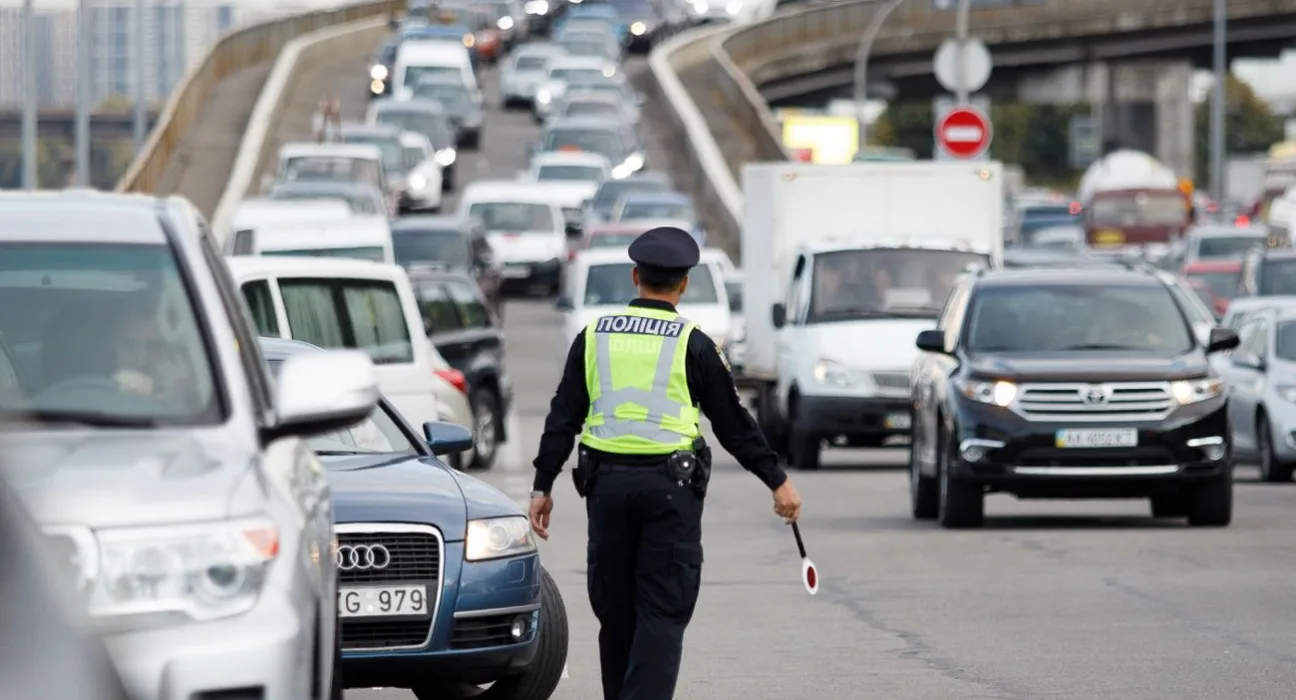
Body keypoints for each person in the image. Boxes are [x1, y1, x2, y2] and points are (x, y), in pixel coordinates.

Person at [529, 226, 802, 700]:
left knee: (617, 615)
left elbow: (562, 416)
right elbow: (734, 424)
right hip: (669, 493)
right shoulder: (693, 343)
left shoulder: (594, 336)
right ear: (684, 284)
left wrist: (542, 486)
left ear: (635, 276)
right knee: (661, 612)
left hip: (606, 489)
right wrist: (776, 481)